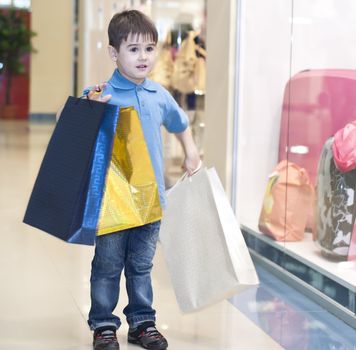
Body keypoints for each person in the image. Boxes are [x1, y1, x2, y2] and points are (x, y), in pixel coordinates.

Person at [84, 9, 201, 350]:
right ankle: (103, 325)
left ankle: (142, 322)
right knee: (107, 265)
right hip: (113, 202)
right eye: (133, 49)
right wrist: (91, 108)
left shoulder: (159, 94)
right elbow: (74, 129)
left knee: (141, 265)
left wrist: (190, 151)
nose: (143, 57)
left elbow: (181, 124)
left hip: (151, 201)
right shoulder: (100, 92)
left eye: (149, 49)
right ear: (113, 53)